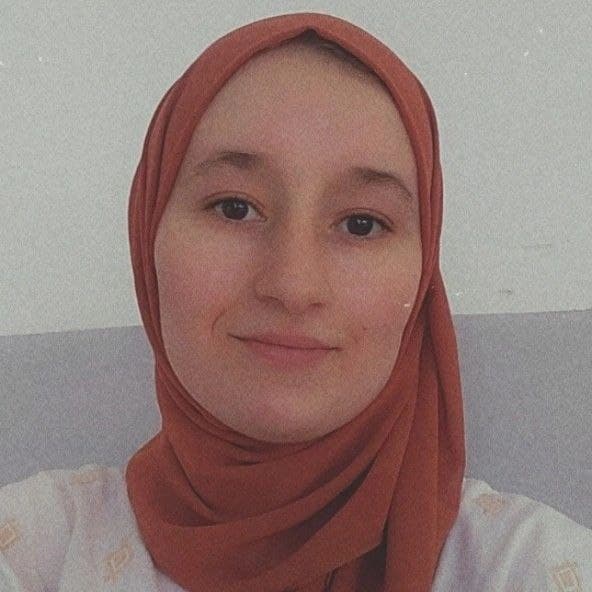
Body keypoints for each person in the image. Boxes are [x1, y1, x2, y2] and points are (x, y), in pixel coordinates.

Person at [1, 11, 591, 592]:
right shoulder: (36, 551)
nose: (293, 285)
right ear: (147, 233)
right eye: (235, 208)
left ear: (421, 278)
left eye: (361, 223)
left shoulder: (525, 566)